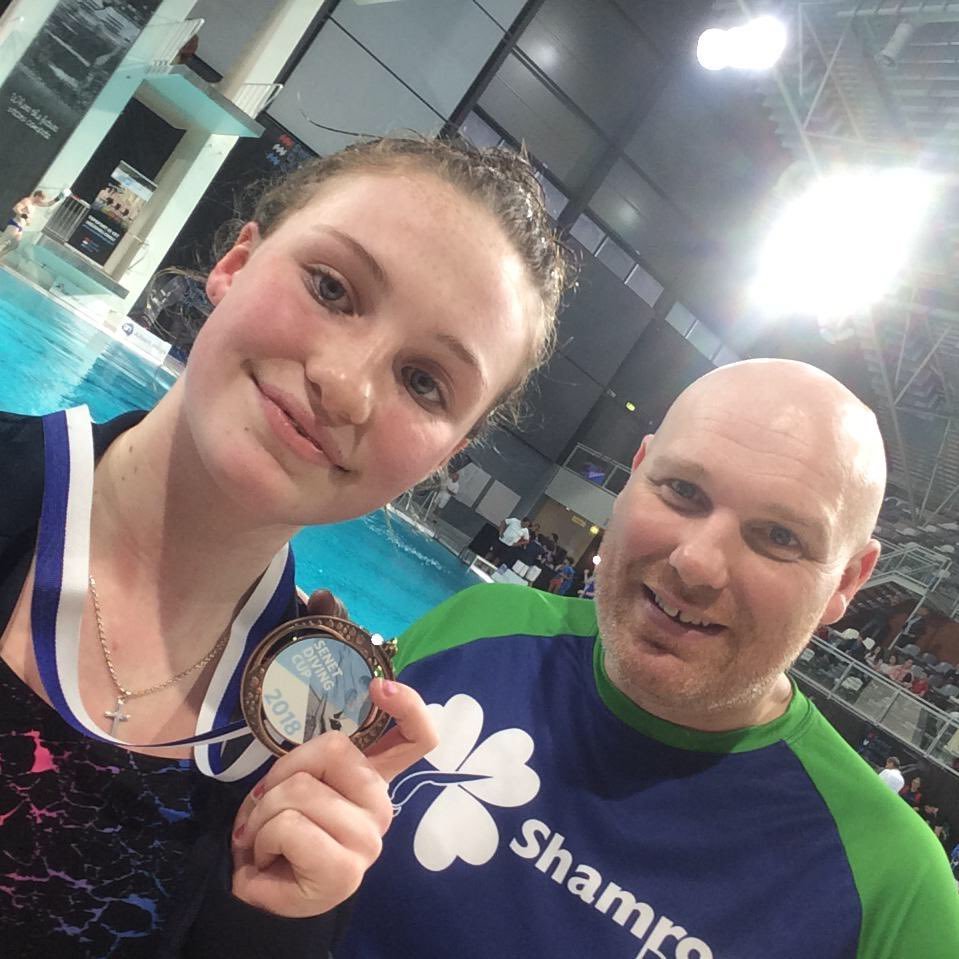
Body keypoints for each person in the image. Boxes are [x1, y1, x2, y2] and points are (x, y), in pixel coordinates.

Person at [0, 135, 570, 956]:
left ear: (443, 454)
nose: (345, 383)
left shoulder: (304, 754)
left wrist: (273, 922)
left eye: (424, 382)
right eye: (332, 288)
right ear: (236, 261)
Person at [335, 359, 959, 959]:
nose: (696, 562)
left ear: (848, 581)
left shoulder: (891, 895)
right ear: (635, 473)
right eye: (683, 490)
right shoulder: (481, 627)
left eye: (779, 537)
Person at [0, 189, 67, 259]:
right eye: (41, 199)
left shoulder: (34, 204)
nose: (41, 201)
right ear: (37, 196)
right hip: (15, 224)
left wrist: (58, 198)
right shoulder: (27, 201)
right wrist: (25, 217)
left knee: (14, 245)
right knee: (3, 240)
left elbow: (48, 204)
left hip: (20, 228)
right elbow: (16, 208)